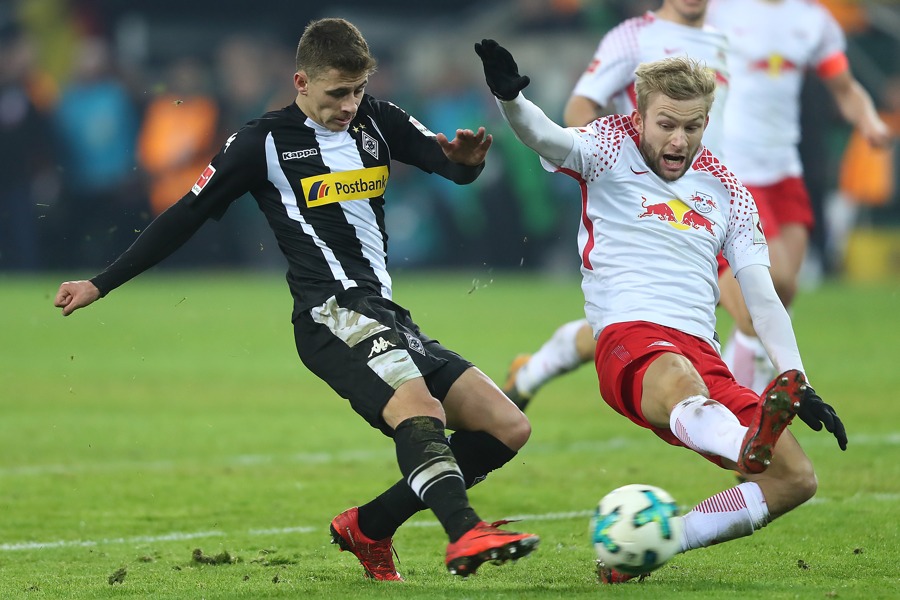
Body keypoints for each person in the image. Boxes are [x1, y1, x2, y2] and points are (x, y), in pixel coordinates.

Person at [53, 18, 539, 580]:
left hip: (384, 314)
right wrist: (100, 282)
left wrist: (468, 162)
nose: (349, 105)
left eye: (357, 90)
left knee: (507, 426)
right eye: (337, 93)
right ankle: (464, 533)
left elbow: (447, 166)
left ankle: (371, 525)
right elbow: (185, 216)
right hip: (329, 315)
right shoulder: (259, 142)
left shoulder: (378, 119)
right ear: (301, 82)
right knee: (421, 411)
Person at [474, 39, 847, 583]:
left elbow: (762, 297)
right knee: (679, 375)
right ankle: (748, 442)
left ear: (706, 121)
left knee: (795, 479)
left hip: (703, 357)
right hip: (632, 342)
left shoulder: (728, 191)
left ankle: (660, 541)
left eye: (693, 127)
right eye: (667, 124)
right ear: (640, 113)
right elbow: (547, 137)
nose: (680, 140)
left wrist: (798, 378)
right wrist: (510, 100)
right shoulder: (607, 146)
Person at [501, 0, 730, 408]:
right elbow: (581, 104)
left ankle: (535, 368)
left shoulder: (730, 36)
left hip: (713, 202)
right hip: (652, 205)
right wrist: (601, 172)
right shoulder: (632, 36)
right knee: (744, 315)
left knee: (650, 323)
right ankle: (747, 443)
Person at [707, 0, 891, 392]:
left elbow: (844, 87)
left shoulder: (813, 20)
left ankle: (735, 388)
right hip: (737, 166)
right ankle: (739, 388)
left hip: (786, 170)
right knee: (774, 281)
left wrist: (869, 120)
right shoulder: (721, 10)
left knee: (784, 292)